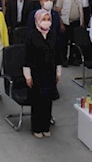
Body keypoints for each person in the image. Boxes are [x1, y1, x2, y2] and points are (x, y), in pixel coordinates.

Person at [24, 9, 62, 138]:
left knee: (48, 101)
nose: (46, 22)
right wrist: (28, 76)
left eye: (48, 19)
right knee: (38, 101)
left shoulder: (53, 35)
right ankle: (37, 127)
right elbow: (26, 58)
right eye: (43, 19)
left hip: (50, 73)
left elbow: (58, 56)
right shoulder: (31, 36)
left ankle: (46, 126)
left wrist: (58, 72)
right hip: (36, 74)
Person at [56, 0, 84, 67]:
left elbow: (81, 9)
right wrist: (60, 23)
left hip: (76, 22)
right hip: (65, 22)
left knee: (74, 42)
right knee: (64, 42)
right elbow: (58, 10)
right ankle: (63, 59)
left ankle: (72, 58)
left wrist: (82, 21)